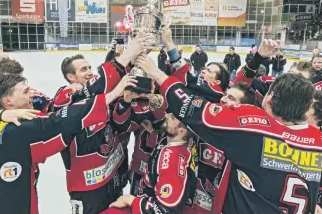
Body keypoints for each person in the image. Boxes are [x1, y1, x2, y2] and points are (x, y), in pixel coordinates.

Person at [137, 33, 321, 213]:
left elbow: (191, 107)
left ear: (269, 99)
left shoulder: (255, 126)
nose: (226, 102)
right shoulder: (318, 140)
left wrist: (155, 72)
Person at [0, 74, 131, 214]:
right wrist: (113, 94)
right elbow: (64, 120)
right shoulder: (21, 130)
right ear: (7, 101)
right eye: (25, 92)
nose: (32, 95)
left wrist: (0, 114)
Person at [51, 33, 157, 214]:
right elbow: (92, 88)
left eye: (90, 67)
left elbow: (120, 123)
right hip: (87, 186)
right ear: (70, 76)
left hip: (114, 173)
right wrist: (124, 58)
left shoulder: (103, 93)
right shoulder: (65, 96)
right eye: (83, 69)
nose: (90, 72)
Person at [106, 113, 197, 214]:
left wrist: (131, 201)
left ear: (181, 131)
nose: (167, 115)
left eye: (172, 118)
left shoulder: (171, 162)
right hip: (147, 195)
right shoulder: (182, 140)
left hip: (149, 204)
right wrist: (153, 133)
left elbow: (166, 210)